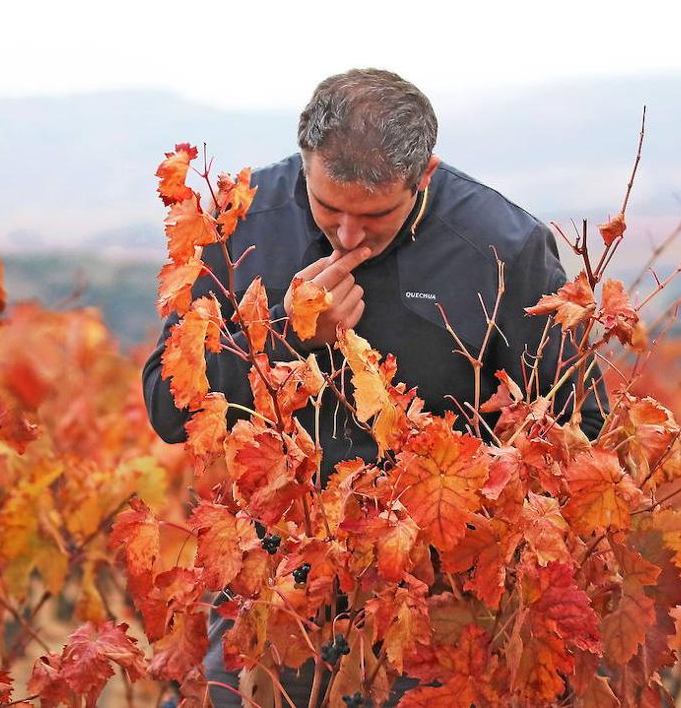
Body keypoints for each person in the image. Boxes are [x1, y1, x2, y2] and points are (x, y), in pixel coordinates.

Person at [141, 68, 606, 707]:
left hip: (438, 595)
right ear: (304, 162)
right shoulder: (235, 225)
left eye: (377, 215)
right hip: (276, 580)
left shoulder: (502, 246)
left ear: (426, 175)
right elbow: (169, 411)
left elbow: (581, 427)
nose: (350, 235)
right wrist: (286, 333)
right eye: (329, 209)